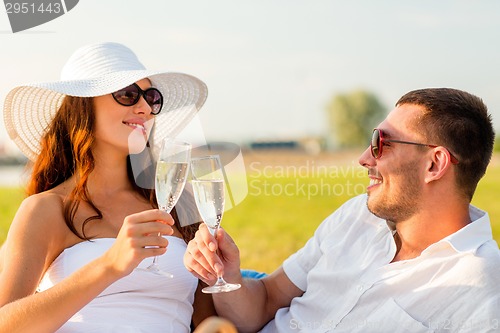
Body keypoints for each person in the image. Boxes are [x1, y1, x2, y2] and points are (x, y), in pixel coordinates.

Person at [184, 88, 500, 332]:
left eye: (382, 143)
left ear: (434, 164)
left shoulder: (481, 290)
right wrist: (228, 276)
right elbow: (264, 302)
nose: (364, 157)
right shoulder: (357, 216)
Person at [0, 42, 214, 332]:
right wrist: (110, 265)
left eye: (151, 97)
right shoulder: (46, 210)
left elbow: (207, 321)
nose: (145, 109)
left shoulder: (179, 203)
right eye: (128, 94)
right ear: (82, 106)